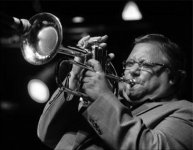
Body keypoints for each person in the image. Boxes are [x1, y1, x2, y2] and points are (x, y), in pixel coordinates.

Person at [37, 34, 193, 150]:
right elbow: (46, 134)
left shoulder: (185, 112)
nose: (133, 71)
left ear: (173, 76)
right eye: (130, 63)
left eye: (145, 65)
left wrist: (102, 98)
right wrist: (75, 76)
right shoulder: (110, 100)